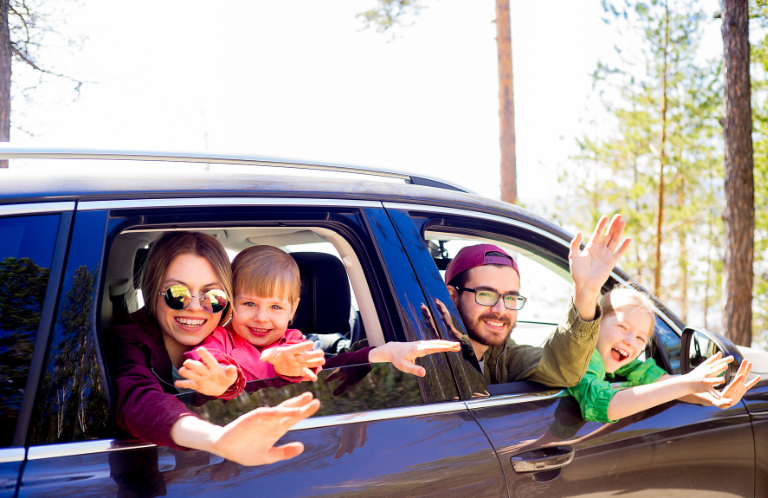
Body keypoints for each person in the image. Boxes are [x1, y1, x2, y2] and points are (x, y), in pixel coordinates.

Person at [104, 231, 320, 467]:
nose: (196, 307)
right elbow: (138, 400)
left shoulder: (237, 344)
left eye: (212, 295)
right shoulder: (129, 339)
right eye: (178, 294)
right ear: (152, 289)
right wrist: (215, 439)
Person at [175, 245, 462, 397]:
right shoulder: (218, 340)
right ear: (230, 303)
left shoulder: (294, 342)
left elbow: (328, 365)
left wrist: (383, 353)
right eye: (249, 303)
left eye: (275, 306)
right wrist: (220, 379)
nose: (261, 317)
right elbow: (208, 366)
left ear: (292, 310)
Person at [439, 214, 631, 387]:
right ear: (452, 297)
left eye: (510, 297)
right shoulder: (424, 356)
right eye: (486, 295)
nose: (500, 309)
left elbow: (561, 369)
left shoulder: (503, 357)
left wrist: (587, 291)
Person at [568, 287, 760, 423]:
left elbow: (662, 381)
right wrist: (687, 382)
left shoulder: (624, 364)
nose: (630, 341)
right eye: (622, 326)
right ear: (596, 324)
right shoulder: (580, 359)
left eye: (640, 338)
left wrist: (715, 398)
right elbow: (606, 405)